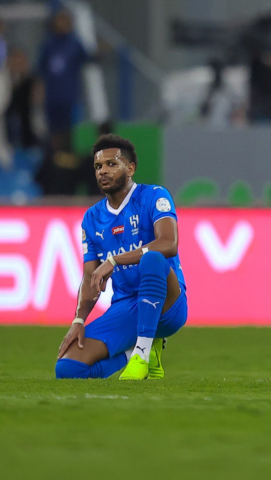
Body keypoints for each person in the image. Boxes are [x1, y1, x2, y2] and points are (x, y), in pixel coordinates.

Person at [55, 134, 188, 381]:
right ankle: (133, 354)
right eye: (97, 167)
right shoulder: (92, 218)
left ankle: (142, 353)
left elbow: (169, 244)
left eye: (111, 164)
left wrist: (115, 260)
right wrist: (78, 319)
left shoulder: (154, 196)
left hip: (169, 305)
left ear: (130, 168)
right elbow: (89, 276)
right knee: (67, 369)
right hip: (127, 305)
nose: (102, 171)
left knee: (153, 259)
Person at [37, 10, 88, 137]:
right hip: (52, 97)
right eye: (60, 21)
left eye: (65, 22)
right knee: (52, 131)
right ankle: (54, 155)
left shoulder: (75, 44)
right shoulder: (48, 45)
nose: (62, 25)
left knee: (68, 131)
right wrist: (39, 91)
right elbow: (40, 70)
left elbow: (88, 58)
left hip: (69, 97)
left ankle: (67, 155)